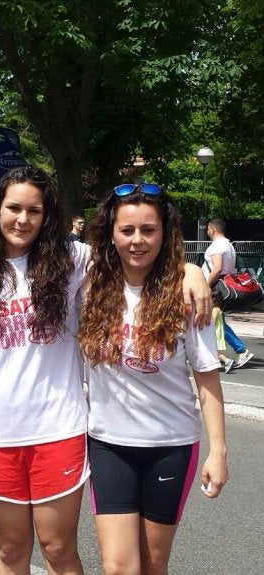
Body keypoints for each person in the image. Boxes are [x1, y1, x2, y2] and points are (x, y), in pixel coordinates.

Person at [0, 169, 212, 575]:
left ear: (48, 216)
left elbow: (130, 253)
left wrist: (193, 271)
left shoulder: (73, 263)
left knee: (57, 548)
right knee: (11, 551)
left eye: (35, 210)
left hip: (59, 429)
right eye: (13, 207)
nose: (23, 219)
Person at [78, 183, 228, 575]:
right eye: (127, 230)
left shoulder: (186, 296)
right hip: (108, 444)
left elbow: (207, 377)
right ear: (111, 234)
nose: (137, 240)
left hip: (171, 446)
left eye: (149, 230)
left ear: (166, 233)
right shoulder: (89, 286)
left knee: (153, 563)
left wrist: (219, 451)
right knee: (119, 567)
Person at [202, 218, 254, 369]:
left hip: (216, 287)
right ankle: (230, 352)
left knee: (215, 321)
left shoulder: (218, 245)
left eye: (207, 229)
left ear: (212, 229)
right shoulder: (229, 245)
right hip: (223, 286)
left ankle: (241, 350)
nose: (207, 232)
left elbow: (217, 268)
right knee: (217, 321)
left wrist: (205, 286)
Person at [211, 291, 234, 373]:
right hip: (217, 332)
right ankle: (216, 364)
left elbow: (212, 321)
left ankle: (227, 361)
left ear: (214, 300)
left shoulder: (215, 310)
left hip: (215, 332)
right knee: (212, 350)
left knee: (211, 350)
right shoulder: (218, 309)